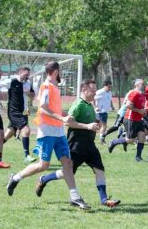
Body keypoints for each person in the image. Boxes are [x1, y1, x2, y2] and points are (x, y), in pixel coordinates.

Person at [6, 61, 90, 210]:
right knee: (43, 165)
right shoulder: (46, 86)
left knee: (68, 164)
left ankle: (75, 197)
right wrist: (62, 118)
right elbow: (43, 109)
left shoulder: (54, 87)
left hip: (58, 131)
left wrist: (66, 115)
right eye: (60, 71)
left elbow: (54, 109)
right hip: (47, 130)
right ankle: (16, 177)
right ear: (56, 72)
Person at [34, 80, 120, 208]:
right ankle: (44, 179)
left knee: (99, 170)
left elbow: (89, 120)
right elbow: (68, 122)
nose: (95, 93)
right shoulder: (78, 104)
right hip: (76, 145)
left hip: (90, 145)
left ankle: (104, 199)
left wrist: (96, 122)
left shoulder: (89, 104)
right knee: (66, 173)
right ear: (84, 91)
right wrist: (88, 126)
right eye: (93, 91)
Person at [0, 67, 37, 165]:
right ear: (19, 73)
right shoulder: (12, 81)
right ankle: (27, 156)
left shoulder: (28, 83)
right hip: (14, 112)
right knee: (26, 130)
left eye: (28, 75)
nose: (27, 77)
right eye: (25, 75)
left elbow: (33, 95)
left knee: (9, 134)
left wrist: (30, 94)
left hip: (24, 112)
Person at [108, 79, 146, 162]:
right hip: (130, 119)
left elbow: (141, 107)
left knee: (142, 136)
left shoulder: (142, 95)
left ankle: (138, 157)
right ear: (136, 85)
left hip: (139, 120)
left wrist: (144, 112)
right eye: (142, 84)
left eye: (144, 84)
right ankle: (114, 142)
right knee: (130, 140)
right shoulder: (134, 93)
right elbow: (128, 105)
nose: (143, 86)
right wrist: (139, 111)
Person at [94, 80, 114, 144]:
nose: (110, 88)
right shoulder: (100, 92)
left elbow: (110, 100)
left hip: (105, 111)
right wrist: (95, 107)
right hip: (100, 111)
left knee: (99, 126)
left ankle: (98, 138)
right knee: (103, 126)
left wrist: (112, 106)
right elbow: (93, 98)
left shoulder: (109, 92)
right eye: (108, 87)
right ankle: (102, 139)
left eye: (110, 87)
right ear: (105, 86)